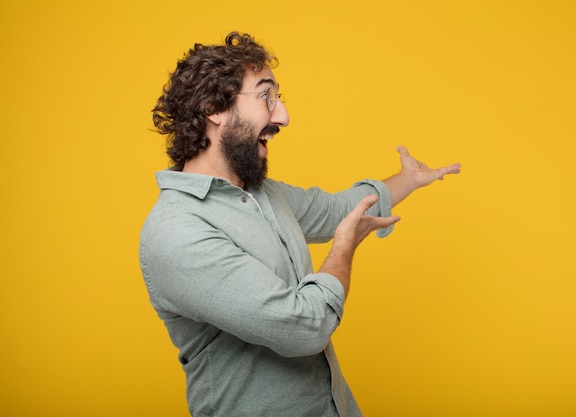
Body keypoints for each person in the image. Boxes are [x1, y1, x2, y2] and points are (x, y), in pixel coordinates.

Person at [139, 31, 460, 417]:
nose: (283, 116)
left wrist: (408, 178)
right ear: (213, 108)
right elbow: (303, 327)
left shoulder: (264, 194)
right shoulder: (178, 232)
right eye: (266, 97)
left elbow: (340, 207)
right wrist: (344, 248)